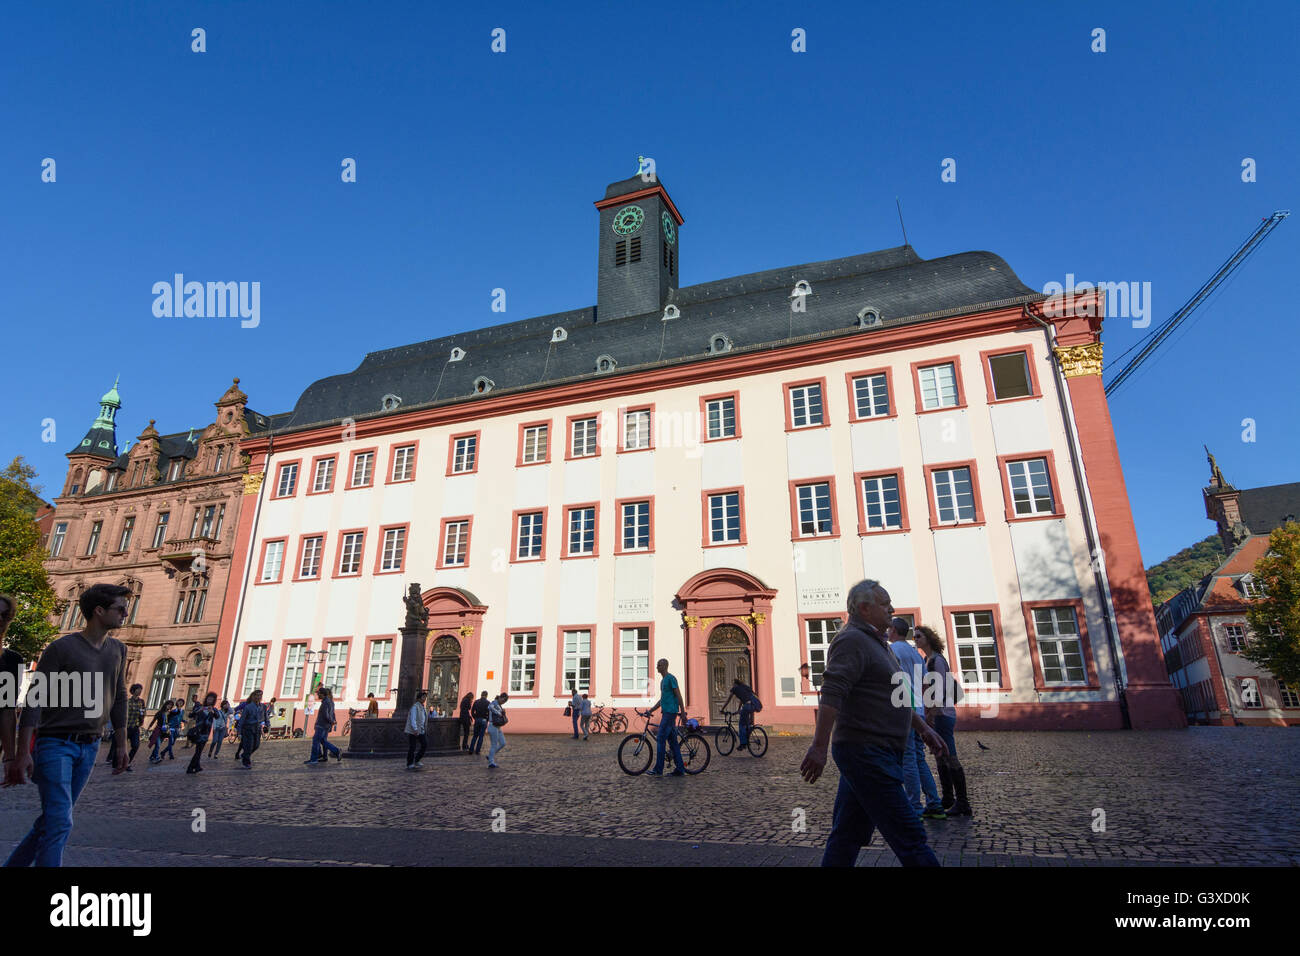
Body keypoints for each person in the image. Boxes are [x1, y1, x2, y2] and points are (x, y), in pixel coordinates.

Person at [799, 580, 947, 867]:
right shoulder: (851, 640)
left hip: (876, 750)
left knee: (847, 834)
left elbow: (895, 695)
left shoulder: (879, 643)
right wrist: (819, 747)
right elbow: (832, 693)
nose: (891, 609)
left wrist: (923, 728)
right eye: (885, 604)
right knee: (911, 837)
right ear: (865, 608)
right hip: (866, 752)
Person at [3, 582, 130, 867]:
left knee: (52, 821)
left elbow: (119, 697)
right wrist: (23, 753)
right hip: (55, 744)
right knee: (60, 821)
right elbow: (35, 702)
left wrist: (121, 745)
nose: (124, 614)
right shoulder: (61, 648)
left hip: (90, 746)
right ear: (98, 611)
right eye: (119, 609)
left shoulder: (118, 650)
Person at [886, 618, 946, 820]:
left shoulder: (892, 650)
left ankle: (914, 807)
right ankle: (934, 803)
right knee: (919, 759)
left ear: (893, 630)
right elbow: (925, 684)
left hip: (904, 710)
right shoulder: (915, 654)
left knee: (909, 760)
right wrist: (926, 711)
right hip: (918, 709)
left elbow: (891, 681)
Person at [914, 625, 972, 817]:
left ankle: (962, 802)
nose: (915, 639)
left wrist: (931, 714)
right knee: (940, 755)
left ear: (928, 638)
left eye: (918, 636)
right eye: (914, 637)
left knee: (949, 755)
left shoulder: (937, 660)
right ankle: (948, 798)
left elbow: (940, 689)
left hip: (943, 714)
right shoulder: (927, 660)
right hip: (936, 713)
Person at [645, 658, 686, 776]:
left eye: (659, 665)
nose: (657, 666)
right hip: (666, 712)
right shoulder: (663, 681)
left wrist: (682, 712)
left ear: (665, 666)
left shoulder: (671, 679)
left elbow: (679, 695)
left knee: (660, 739)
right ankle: (680, 769)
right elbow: (662, 700)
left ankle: (659, 769)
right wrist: (651, 710)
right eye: (657, 664)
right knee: (673, 742)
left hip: (670, 713)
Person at [0, 595, 23, 773]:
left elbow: (8, 710)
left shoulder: (12, 660)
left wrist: (9, 756)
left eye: (5, 615)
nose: (1, 619)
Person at [107, 683, 145, 771]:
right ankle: (117, 764)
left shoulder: (141, 702)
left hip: (135, 727)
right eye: (138, 689)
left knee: (135, 745)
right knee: (119, 745)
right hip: (125, 727)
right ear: (133, 691)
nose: (139, 691)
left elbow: (143, 712)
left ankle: (127, 763)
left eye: (140, 689)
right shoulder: (127, 702)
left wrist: (141, 719)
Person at [722, 677, 763, 750]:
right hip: (755, 704)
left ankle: (743, 744)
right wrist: (738, 710)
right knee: (746, 722)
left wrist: (722, 709)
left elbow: (728, 700)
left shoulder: (735, 689)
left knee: (741, 724)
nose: (732, 685)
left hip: (747, 705)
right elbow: (743, 699)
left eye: (733, 684)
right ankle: (748, 733)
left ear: (735, 684)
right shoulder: (745, 687)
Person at [307, 685, 342, 764]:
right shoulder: (329, 702)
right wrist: (332, 721)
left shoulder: (326, 702)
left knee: (316, 741)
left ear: (323, 694)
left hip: (322, 725)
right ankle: (335, 752)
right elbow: (331, 713)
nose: (318, 695)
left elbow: (326, 715)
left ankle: (314, 759)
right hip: (324, 725)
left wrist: (331, 721)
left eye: (319, 693)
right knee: (323, 741)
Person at [186, 693, 219, 774]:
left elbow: (217, 716)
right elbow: (190, 715)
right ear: (206, 699)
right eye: (208, 698)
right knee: (198, 750)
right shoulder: (200, 707)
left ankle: (197, 766)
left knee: (199, 750)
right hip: (198, 731)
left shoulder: (214, 709)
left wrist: (213, 712)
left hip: (206, 732)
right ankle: (190, 768)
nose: (209, 700)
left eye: (211, 699)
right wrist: (198, 711)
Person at [237, 689, 268, 769]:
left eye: (260, 695)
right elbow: (242, 720)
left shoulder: (263, 707)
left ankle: (245, 755)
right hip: (248, 728)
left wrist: (267, 725)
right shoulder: (248, 707)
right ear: (253, 696)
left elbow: (266, 717)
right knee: (249, 746)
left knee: (256, 745)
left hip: (257, 728)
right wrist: (239, 732)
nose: (259, 697)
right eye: (257, 695)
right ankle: (246, 762)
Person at [406, 690, 429, 770]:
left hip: (421, 730)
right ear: (419, 698)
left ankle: (417, 760)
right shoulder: (415, 707)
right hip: (414, 731)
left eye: (425, 697)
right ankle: (409, 763)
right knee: (412, 747)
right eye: (423, 697)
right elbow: (413, 719)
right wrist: (415, 729)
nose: (425, 699)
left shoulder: (422, 707)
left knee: (424, 744)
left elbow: (423, 718)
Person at [486, 692, 508, 768]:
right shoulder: (494, 703)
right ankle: (491, 762)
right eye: (503, 700)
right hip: (493, 725)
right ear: (500, 697)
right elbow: (490, 707)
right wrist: (499, 713)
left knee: (503, 743)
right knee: (494, 744)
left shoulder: (499, 705)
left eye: (505, 701)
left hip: (498, 726)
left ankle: (490, 756)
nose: (503, 702)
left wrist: (503, 714)